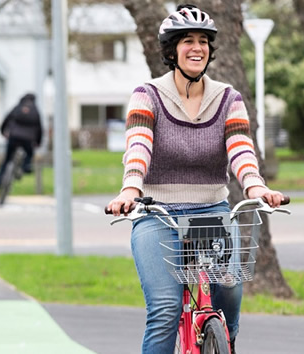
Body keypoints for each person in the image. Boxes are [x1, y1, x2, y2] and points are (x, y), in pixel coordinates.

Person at [105, 5, 284, 354]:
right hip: (158, 214)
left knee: (229, 287)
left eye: (203, 41)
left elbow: (241, 150)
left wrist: (256, 186)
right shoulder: (148, 95)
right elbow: (138, 146)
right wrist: (131, 188)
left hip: (211, 212)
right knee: (166, 309)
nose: (197, 47)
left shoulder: (227, 98)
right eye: (187, 40)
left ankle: (223, 342)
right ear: (172, 50)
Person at [0, 93, 43, 194]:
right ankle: (25, 167)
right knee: (29, 153)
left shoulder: (17, 107)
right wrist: (38, 142)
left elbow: (6, 119)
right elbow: (39, 128)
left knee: (6, 160)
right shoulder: (35, 110)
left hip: (13, 137)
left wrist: (3, 132)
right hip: (28, 139)